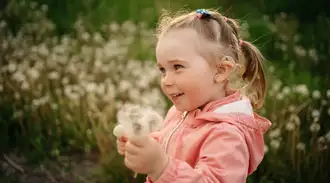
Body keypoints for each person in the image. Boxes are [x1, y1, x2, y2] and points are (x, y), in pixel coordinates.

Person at [116, 8, 272, 183]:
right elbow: (172, 142)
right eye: (162, 70)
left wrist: (160, 167)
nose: (166, 80)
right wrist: (144, 146)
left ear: (221, 71)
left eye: (177, 67)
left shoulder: (227, 134)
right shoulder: (181, 110)